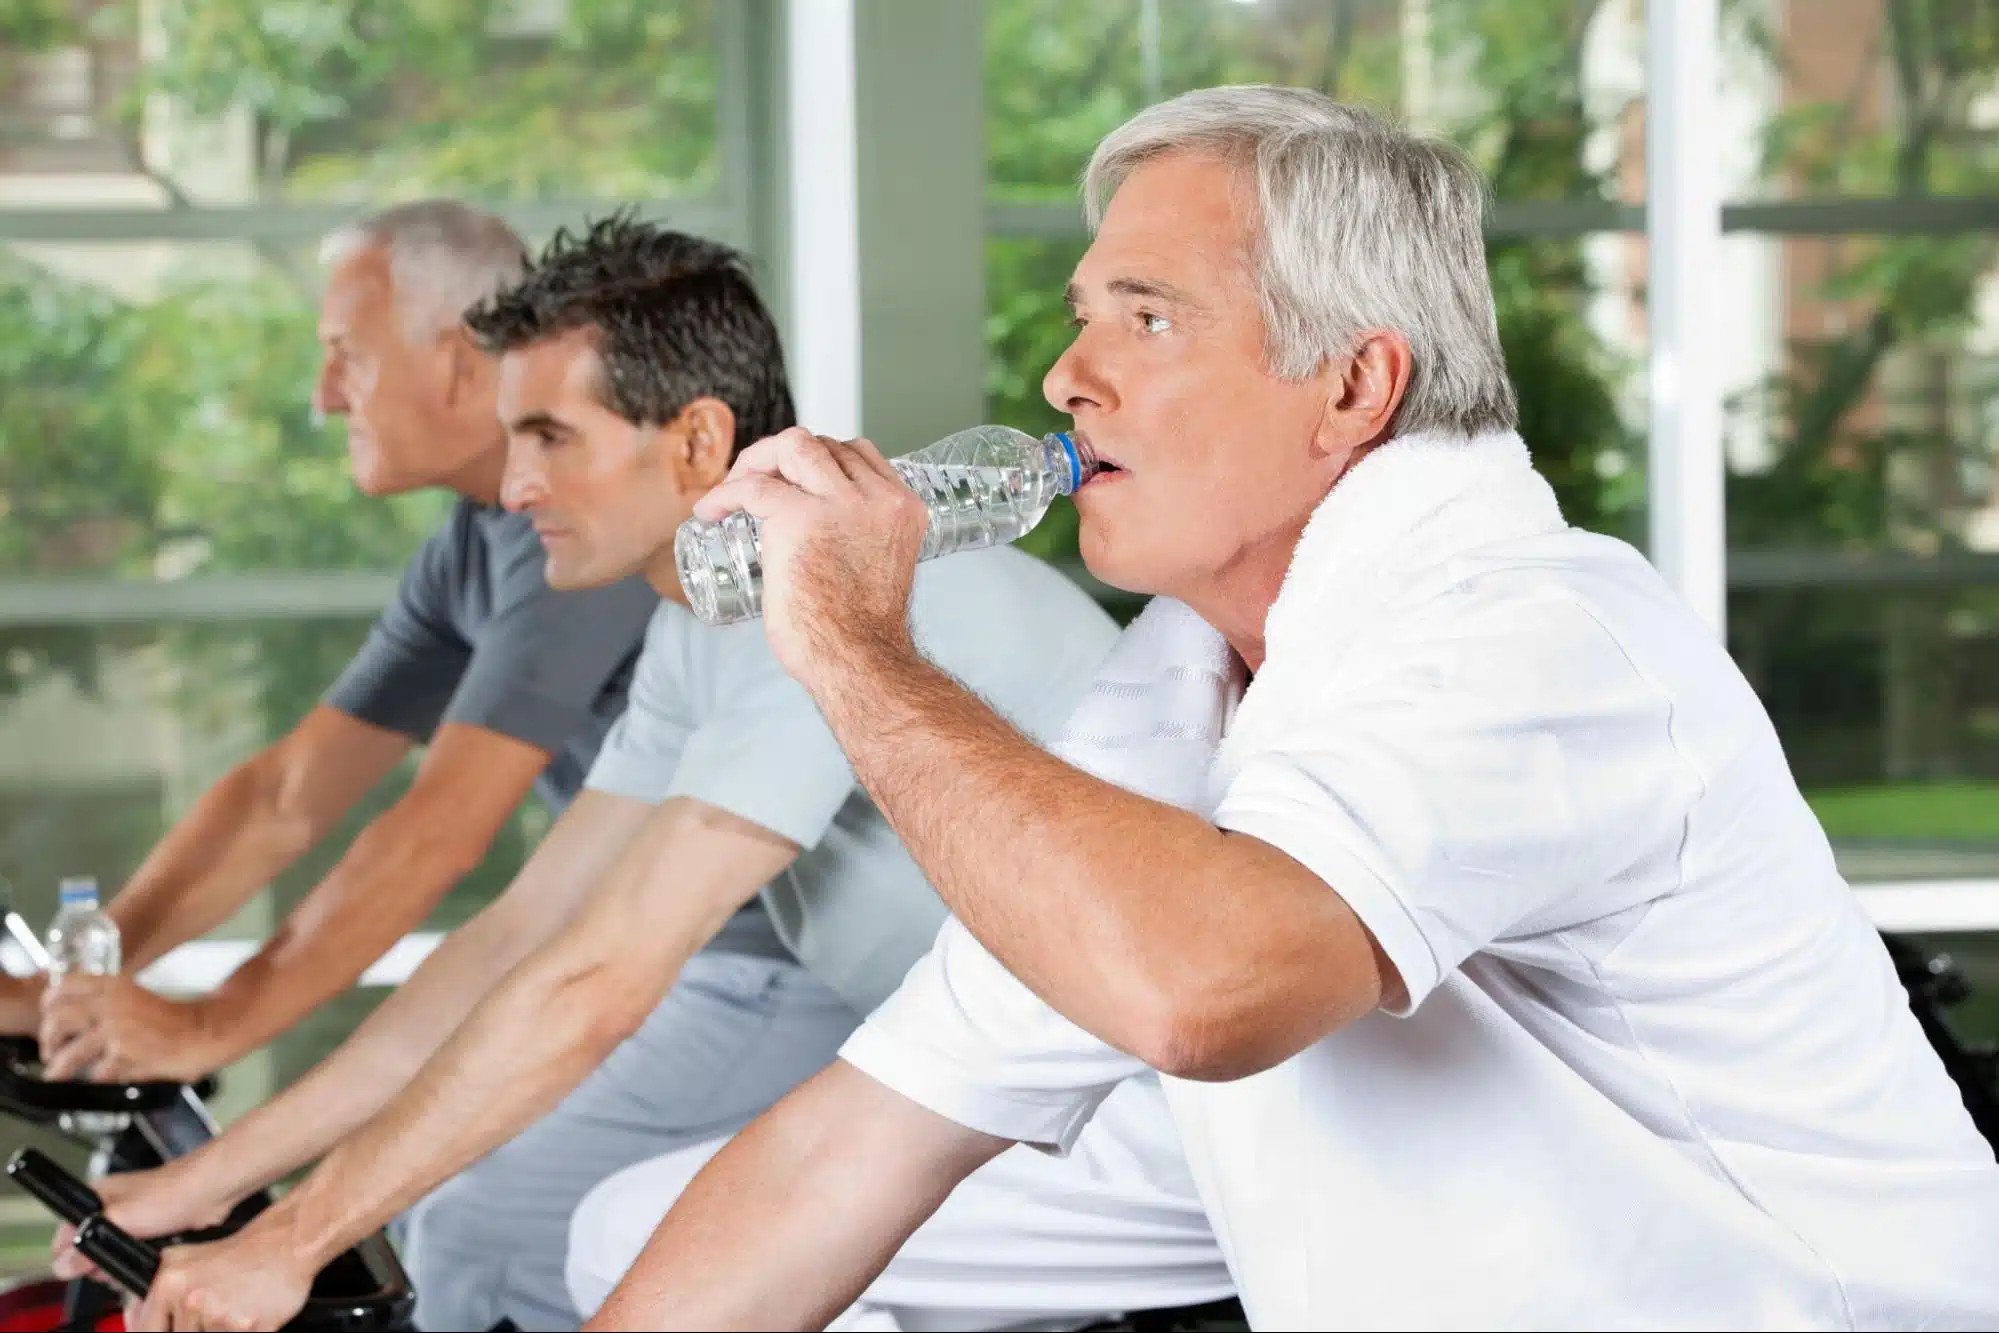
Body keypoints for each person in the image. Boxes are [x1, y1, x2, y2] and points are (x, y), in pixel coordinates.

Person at [570, 88, 1999, 1331]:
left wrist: (849, 645)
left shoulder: (1532, 634)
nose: (1068, 377)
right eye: (1082, 319)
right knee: (648, 1225)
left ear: (1353, 386)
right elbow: (854, 1150)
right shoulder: (1173, 686)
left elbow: (1206, 989)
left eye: (1149, 316)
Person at [95, 218, 1235, 1333]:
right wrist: (205, 1190)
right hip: (1007, 1092)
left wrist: (288, 1243)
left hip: (1160, 1104)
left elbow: (597, 982)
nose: (516, 482)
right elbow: (522, 935)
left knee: (626, 1238)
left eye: (550, 437)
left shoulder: (846, 590)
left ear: (696, 440)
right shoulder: (701, 623)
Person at [12, 201, 657, 1087]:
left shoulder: (585, 522)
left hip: (759, 961)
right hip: (655, 958)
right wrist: (76, 979)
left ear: (461, 357)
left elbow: (439, 831)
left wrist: (212, 1023)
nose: (323, 396)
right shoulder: (472, 546)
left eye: (346, 355)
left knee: (460, 1214)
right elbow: (285, 798)